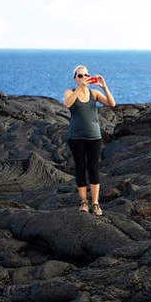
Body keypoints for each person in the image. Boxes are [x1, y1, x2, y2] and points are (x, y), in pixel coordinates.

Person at [62, 65, 115, 215]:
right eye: (80, 76)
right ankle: (83, 201)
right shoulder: (69, 92)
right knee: (80, 167)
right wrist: (80, 87)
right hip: (76, 137)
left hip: (94, 136)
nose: (84, 77)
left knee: (93, 168)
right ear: (75, 78)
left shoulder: (95, 93)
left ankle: (95, 203)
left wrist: (104, 87)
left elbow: (112, 104)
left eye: (86, 75)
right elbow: (68, 104)